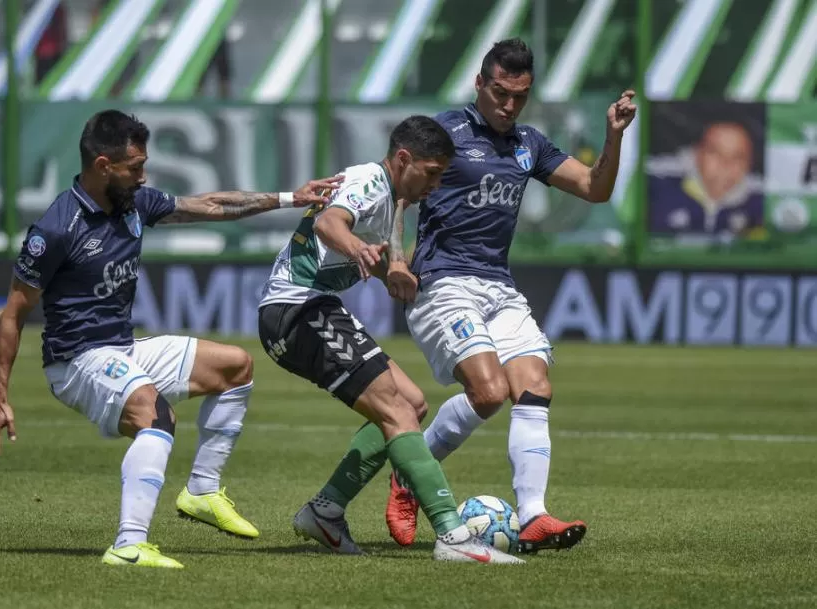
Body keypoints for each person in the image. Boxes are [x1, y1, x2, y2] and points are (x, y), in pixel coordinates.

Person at [0, 109, 342, 569]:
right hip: (75, 361)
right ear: (102, 167)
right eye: (134, 168)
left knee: (235, 367)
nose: (143, 175)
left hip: (122, 349)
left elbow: (210, 204)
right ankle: (129, 545)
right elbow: (13, 313)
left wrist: (290, 197)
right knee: (156, 414)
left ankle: (201, 491)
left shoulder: (134, 203)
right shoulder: (57, 229)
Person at [384, 38, 637, 553]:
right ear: (480, 84)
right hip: (443, 283)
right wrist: (393, 259)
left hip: (498, 286)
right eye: (500, 92)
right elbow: (398, 193)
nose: (508, 105)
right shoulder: (446, 133)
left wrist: (612, 137)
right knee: (489, 392)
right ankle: (410, 476)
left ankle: (533, 516)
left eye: (519, 96)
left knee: (535, 385)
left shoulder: (530, 144)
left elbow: (594, 188)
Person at [257, 115, 524, 564]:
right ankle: (453, 536)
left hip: (314, 309)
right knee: (397, 410)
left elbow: (372, 250)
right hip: (297, 311)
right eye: (432, 173)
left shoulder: (393, 202)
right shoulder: (370, 181)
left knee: (412, 403)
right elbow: (329, 224)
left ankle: (326, 511)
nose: (435, 186)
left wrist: (394, 273)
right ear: (403, 159)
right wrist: (358, 250)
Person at [647, 121, 764, 236]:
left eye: (738, 156)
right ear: (697, 154)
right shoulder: (655, 186)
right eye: (715, 152)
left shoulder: (763, 202)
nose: (726, 164)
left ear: (750, 163)